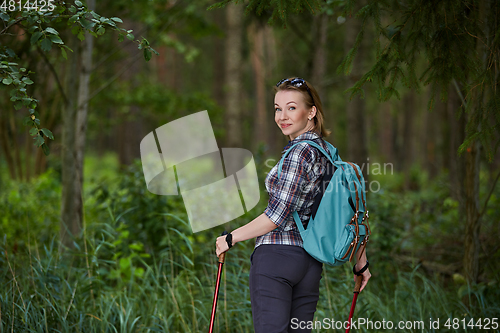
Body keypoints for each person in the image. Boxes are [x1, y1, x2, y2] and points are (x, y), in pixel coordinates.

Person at [215, 77, 371, 333]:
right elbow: (348, 211)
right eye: (278, 108)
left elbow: (277, 216)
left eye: (291, 107)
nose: (282, 116)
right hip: (309, 264)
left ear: (311, 112)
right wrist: (360, 262)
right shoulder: (327, 153)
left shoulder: (299, 153)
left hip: (276, 260)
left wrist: (231, 238)